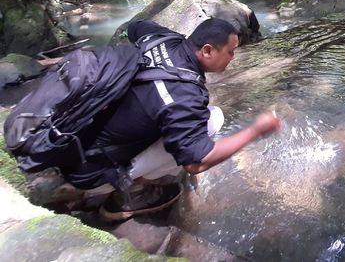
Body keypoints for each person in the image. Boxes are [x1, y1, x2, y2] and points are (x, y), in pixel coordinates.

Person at [59, 18, 281, 219]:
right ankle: (130, 194)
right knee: (212, 120)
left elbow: (135, 25)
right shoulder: (182, 96)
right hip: (89, 171)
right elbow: (196, 163)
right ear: (207, 50)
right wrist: (256, 130)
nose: (233, 58)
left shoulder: (160, 38)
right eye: (231, 51)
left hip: (69, 139)